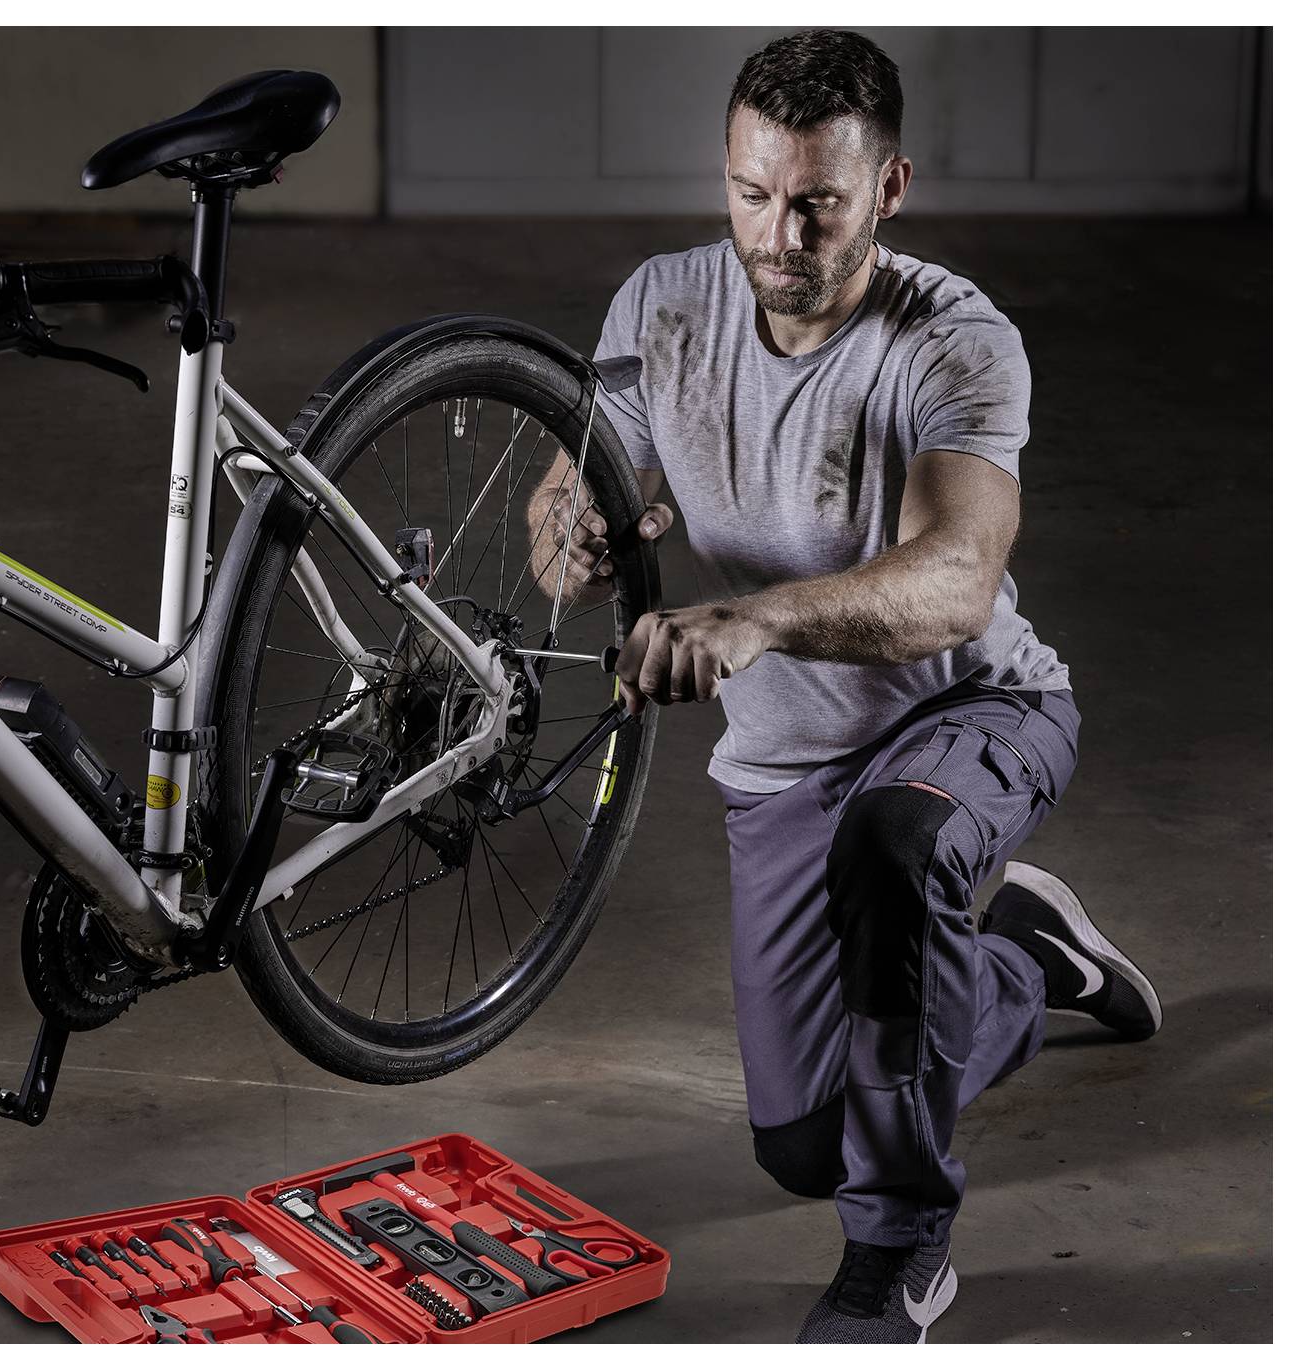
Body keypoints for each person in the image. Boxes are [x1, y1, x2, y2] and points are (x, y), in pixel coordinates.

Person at [524, 29, 1160, 1344]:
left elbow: (957, 578)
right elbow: (582, 478)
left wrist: (755, 619)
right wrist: (575, 530)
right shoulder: (662, 302)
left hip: (971, 715)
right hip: (783, 764)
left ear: (888, 188)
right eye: (752, 194)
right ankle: (1021, 964)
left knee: (898, 838)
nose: (777, 232)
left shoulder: (951, 337)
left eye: (814, 201)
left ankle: (901, 1251)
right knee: (805, 1140)